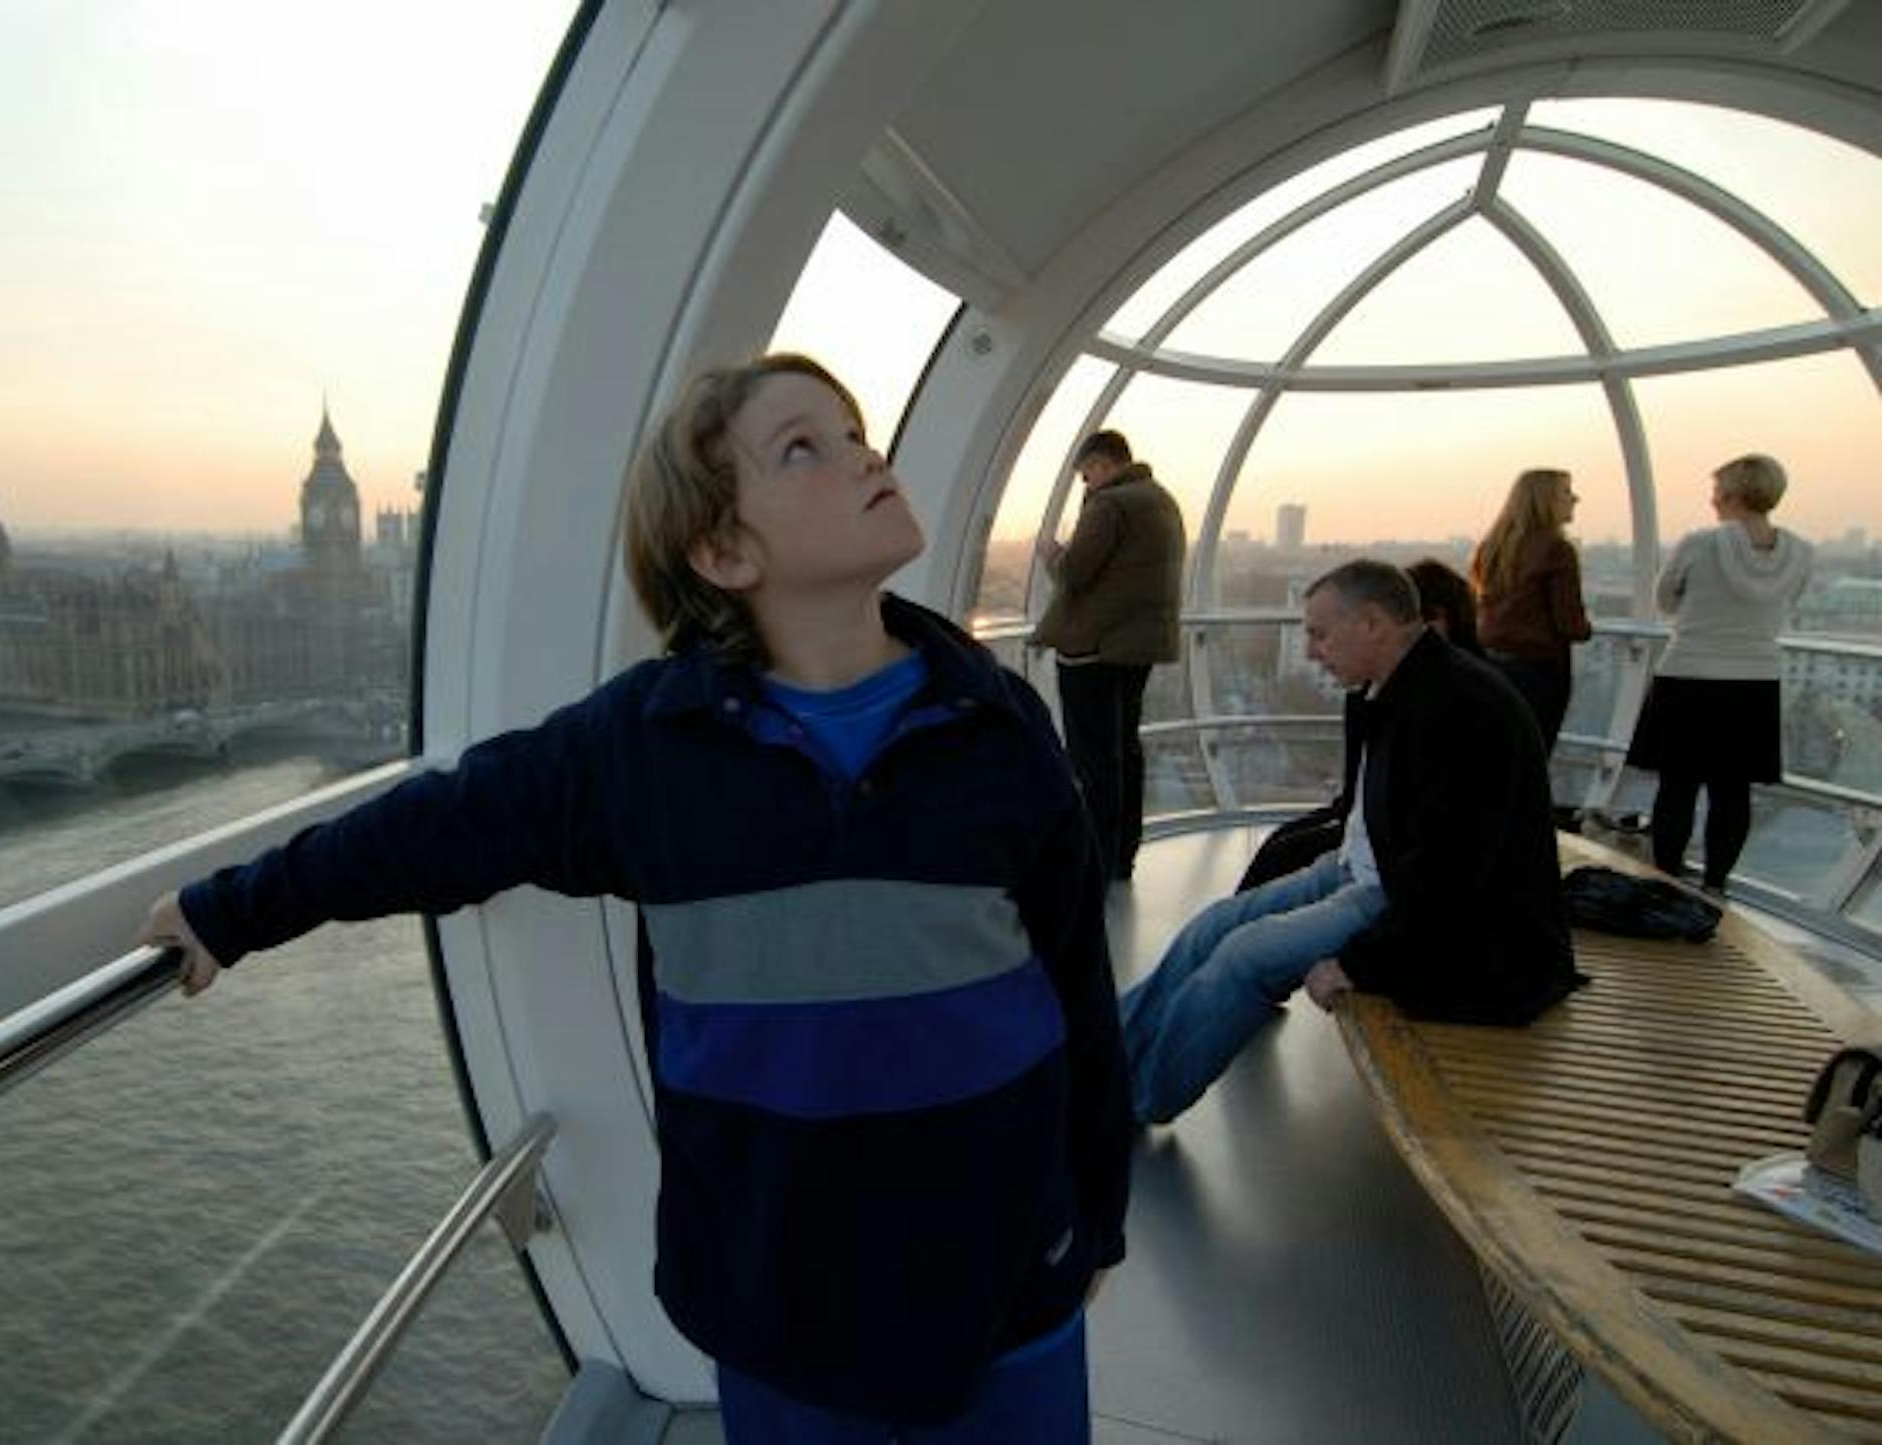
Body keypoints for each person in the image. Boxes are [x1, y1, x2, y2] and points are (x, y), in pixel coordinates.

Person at [140, 354, 1133, 1442]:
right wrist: (231, 910)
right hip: (783, 1312)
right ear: (722, 550)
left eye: (854, 433)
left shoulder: (998, 730)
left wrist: (1098, 1223)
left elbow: (1080, 987)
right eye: (805, 446)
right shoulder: (648, 752)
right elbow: (435, 828)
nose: (864, 453)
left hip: (1011, 1289)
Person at [1121, 559, 1579, 1124]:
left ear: (1371, 623)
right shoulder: (1391, 689)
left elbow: (1452, 878)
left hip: (1423, 910)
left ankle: (1134, 1105)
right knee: (1211, 928)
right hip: (1362, 871)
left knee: (1243, 957)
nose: (1313, 652)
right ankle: (1104, 1062)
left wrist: (1363, 964)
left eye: (1320, 633)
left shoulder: (1461, 710)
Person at [1234, 557, 1479, 893]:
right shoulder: (1381, 689)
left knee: (1282, 857)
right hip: (1372, 844)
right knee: (1281, 850)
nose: (1312, 654)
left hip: (1386, 867)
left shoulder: (1451, 703)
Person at [1627, 453, 1814, 893]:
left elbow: (1666, 601)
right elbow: (1791, 602)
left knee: (1678, 787)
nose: (1712, 500)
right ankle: (1716, 883)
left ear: (1731, 494)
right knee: (1733, 792)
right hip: (1754, 683)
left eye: (1716, 491)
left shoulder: (1699, 543)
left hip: (1689, 674)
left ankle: (1667, 878)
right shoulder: (1802, 553)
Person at [1030, 429, 1185, 880]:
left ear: (1101, 463)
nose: (1085, 485)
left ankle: (1094, 855)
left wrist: (1051, 552)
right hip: (1140, 645)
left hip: (1095, 647)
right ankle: (1121, 853)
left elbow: (1075, 572)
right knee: (1124, 751)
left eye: (1086, 474)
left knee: (1093, 757)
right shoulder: (1161, 500)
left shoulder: (1110, 505)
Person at [1473, 468, 1592, 756]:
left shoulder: (1492, 548)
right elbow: (1570, 624)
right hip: (1539, 671)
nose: (1576, 499)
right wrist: (1586, 628)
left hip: (1491, 664)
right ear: (1545, 500)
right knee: (1532, 754)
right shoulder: (1557, 550)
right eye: (1566, 492)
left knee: (1497, 753)